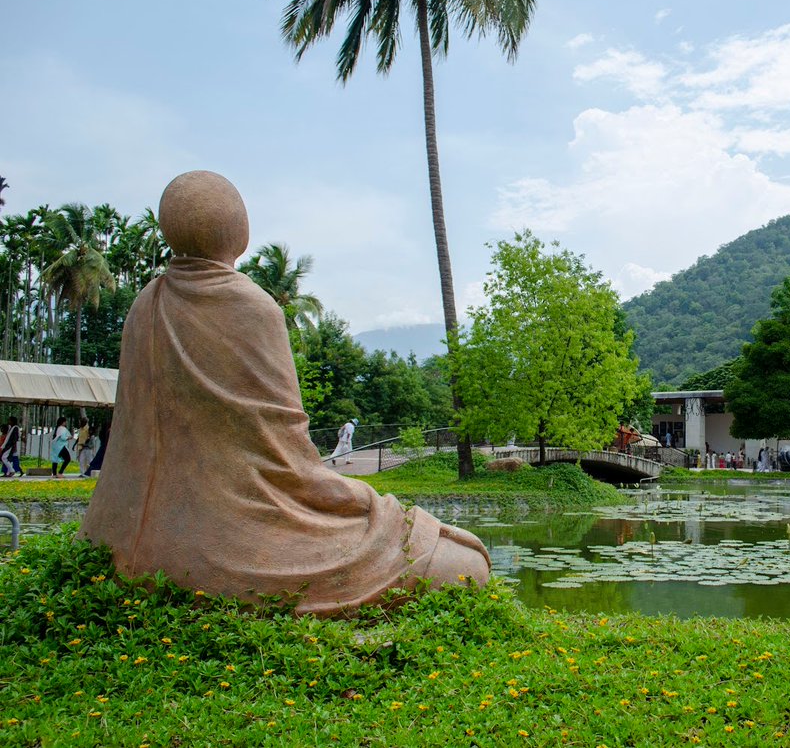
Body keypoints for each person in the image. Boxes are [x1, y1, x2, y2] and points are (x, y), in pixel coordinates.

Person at [78, 170, 489, 616]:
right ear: (238, 229)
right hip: (228, 545)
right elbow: (292, 466)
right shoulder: (250, 307)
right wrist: (375, 504)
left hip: (131, 544)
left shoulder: (144, 305)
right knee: (468, 565)